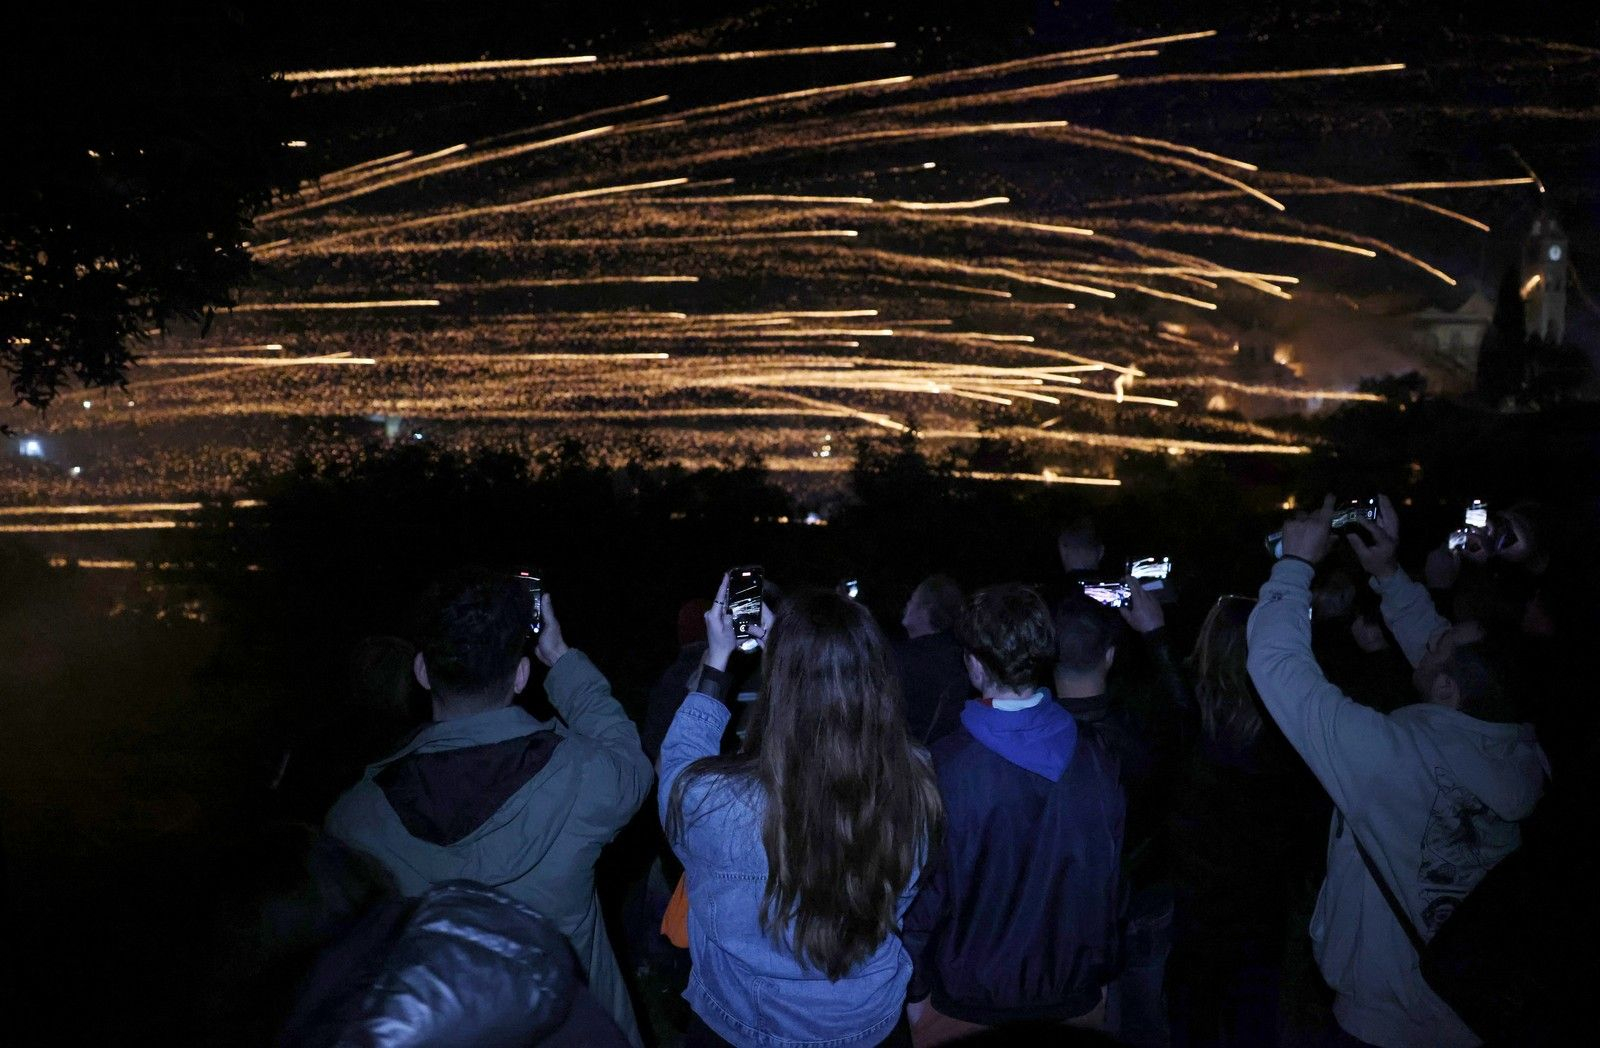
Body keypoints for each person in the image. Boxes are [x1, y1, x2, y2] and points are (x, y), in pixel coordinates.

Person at [1246, 495, 1548, 1048]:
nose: (1429, 641)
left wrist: (1293, 568)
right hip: (1477, 1011)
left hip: (1383, 1024)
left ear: (1448, 690)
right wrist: (1386, 572)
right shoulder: (1524, 754)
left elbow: (1278, 667)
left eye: (1440, 644)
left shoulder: (1393, 758)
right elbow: (1445, 663)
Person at [325, 569, 652, 1047]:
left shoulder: (354, 821)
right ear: (521, 675)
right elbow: (630, 759)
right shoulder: (585, 777)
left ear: (421, 670)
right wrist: (559, 657)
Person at [659, 580, 941, 1048]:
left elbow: (678, 768)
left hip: (740, 1025)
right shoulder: (914, 785)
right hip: (865, 1028)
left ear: (780, 688)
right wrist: (792, 653)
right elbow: (901, 900)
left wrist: (716, 662)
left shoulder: (718, 803)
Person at [904, 584, 1124, 1045]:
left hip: (965, 1009)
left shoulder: (941, 767)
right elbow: (1109, 882)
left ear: (976, 665)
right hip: (1073, 999)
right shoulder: (1099, 758)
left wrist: (915, 995)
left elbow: (920, 899)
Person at [1166, 595, 1315, 1048]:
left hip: (1201, 905)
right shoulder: (1289, 717)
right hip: (1259, 905)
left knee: (1199, 1018)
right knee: (1253, 1015)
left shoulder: (1188, 717)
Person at [893, 574, 970, 745]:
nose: (907, 604)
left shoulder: (905, 661)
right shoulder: (960, 658)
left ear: (926, 609)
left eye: (913, 599)